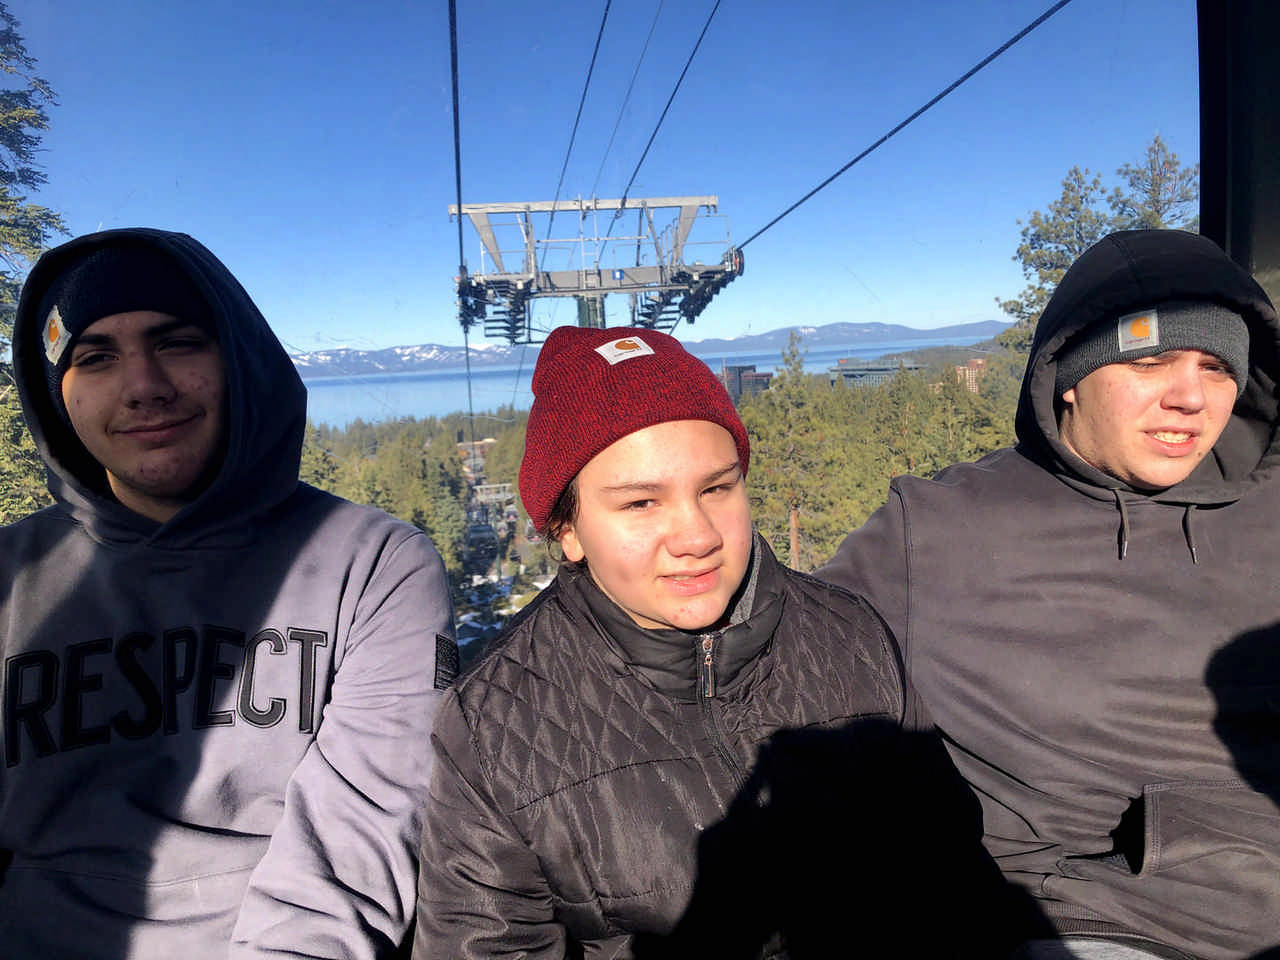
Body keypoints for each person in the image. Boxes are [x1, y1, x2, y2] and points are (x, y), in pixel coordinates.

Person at [413, 326, 1018, 960]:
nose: (697, 536)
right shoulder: (496, 723)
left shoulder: (849, 636)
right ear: (568, 529)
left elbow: (951, 876)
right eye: (641, 503)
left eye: (717, 488)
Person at [819, 228, 1280, 960]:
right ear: (1070, 375)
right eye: (1151, 361)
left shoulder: (1268, 515)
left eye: (1217, 367)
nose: (1190, 397)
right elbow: (780, 661)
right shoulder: (941, 530)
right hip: (1093, 918)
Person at [0, 228, 458, 958]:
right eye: (96, 357)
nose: (144, 385)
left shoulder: (372, 565)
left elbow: (356, 843)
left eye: (178, 342)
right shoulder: (11, 583)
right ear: (59, 393)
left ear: (237, 358)